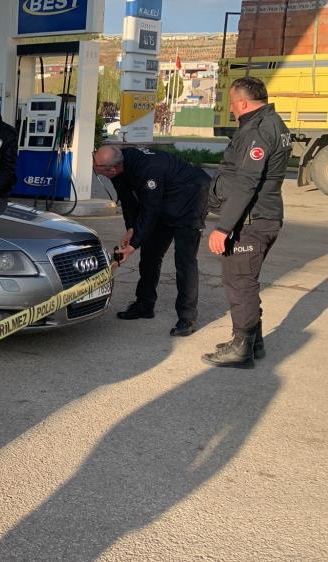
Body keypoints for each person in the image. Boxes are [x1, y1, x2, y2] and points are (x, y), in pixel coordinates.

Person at [202, 76, 290, 369]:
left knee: (239, 283)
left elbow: (247, 182)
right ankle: (254, 342)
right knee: (245, 282)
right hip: (261, 216)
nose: (231, 108)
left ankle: (242, 348)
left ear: (241, 102)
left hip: (251, 221)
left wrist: (223, 227)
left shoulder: (259, 130)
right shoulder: (271, 123)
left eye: (231, 102)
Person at [93, 145, 210, 336]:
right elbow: (127, 199)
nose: (92, 164)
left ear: (110, 169)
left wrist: (132, 245)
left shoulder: (148, 169)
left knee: (184, 260)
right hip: (165, 197)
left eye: (95, 164)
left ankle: (187, 317)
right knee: (150, 255)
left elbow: (150, 210)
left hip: (191, 198)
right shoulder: (121, 162)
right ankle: (145, 304)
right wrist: (131, 228)